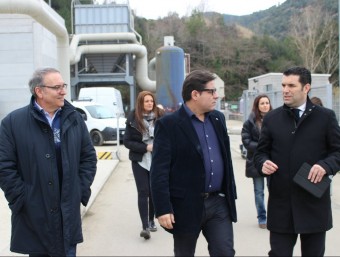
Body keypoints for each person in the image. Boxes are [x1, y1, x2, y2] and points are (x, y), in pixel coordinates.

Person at [0, 67, 97, 256]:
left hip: (68, 215)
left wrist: (80, 189)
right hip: (34, 216)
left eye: (64, 86)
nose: (63, 91)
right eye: (57, 87)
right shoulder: (13, 122)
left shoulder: (74, 118)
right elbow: (4, 165)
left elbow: (88, 158)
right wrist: (22, 198)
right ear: (39, 91)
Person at [253, 66, 340, 256]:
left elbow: (337, 152)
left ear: (306, 88)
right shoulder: (272, 119)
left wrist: (325, 166)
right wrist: (263, 163)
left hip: (314, 202)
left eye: (291, 85)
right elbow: (260, 154)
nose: (285, 90)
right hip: (281, 204)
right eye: (283, 85)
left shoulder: (325, 117)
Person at [150, 70, 237, 256]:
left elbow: (226, 160)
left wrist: (230, 194)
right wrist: (163, 208)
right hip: (186, 205)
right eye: (212, 91)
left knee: (225, 252)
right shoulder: (169, 125)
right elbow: (159, 171)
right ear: (195, 94)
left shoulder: (217, 119)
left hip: (218, 202)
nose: (217, 96)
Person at [123, 91, 164, 240]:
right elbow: (127, 141)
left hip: (156, 160)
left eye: (151, 101)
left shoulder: (160, 116)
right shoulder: (133, 118)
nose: (149, 103)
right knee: (143, 191)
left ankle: (152, 220)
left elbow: (167, 136)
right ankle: (145, 226)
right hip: (139, 159)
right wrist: (145, 147)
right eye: (146, 101)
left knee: (153, 191)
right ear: (141, 103)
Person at [241, 94, 272, 229]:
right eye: (262, 103)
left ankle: (274, 217)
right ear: (257, 106)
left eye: (267, 103)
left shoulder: (277, 119)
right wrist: (261, 146)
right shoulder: (250, 122)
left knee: (275, 191)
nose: (265, 105)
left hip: (273, 161)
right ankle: (262, 217)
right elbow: (246, 141)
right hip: (256, 161)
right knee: (259, 191)